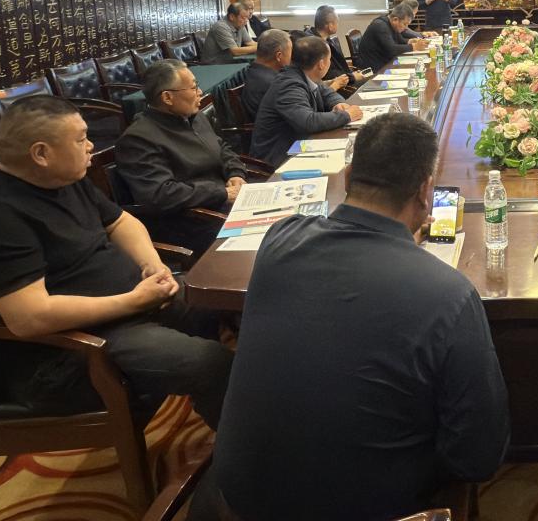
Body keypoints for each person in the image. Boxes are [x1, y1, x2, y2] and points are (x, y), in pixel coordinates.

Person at [203, 114, 509, 521]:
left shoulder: (279, 241)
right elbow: (477, 457)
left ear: (347, 176)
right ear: (426, 191)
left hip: (241, 500)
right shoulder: (449, 293)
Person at [0, 95, 233, 429]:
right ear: (41, 154)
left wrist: (153, 265)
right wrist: (132, 301)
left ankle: (240, 412)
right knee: (210, 363)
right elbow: (30, 317)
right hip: (69, 352)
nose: (91, 147)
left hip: (127, 310)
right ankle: (242, 454)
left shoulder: (64, 180)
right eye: (81, 139)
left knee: (223, 297)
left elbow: (121, 222)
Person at [115, 60, 247, 255]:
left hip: (224, 203)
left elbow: (222, 148)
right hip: (192, 222)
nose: (200, 92)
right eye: (193, 87)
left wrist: (235, 173)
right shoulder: (138, 139)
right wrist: (222, 193)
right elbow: (161, 194)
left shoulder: (194, 116)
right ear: (167, 97)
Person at [250, 36, 362, 164]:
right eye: (329, 59)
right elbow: (308, 121)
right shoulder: (289, 85)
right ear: (321, 64)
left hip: (300, 143)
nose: (330, 63)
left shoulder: (305, 74)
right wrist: (346, 115)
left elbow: (327, 92)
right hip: (279, 156)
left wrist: (338, 103)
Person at [354, 2, 429, 72]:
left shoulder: (390, 24)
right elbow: (392, 50)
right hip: (373, 68)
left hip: (382, 62)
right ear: (395, 19)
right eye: (405, 24)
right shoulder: (380, 26)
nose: (406, 27)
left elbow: (400, 40)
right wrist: (414, 46)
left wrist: (411, 41)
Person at [240, 29, 292, 121]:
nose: (291, 57)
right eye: (290, 51)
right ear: (279, 56)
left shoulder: (254, 71)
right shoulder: (273, 84)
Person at [309, 5, 360, 92]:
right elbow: (329, 75)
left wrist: (351, 75)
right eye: (337, 22)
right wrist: (352, 77)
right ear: (330, 25)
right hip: (336, 88)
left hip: (342, 80)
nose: (338, 25)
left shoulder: (326, 40)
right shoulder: (316, 46)